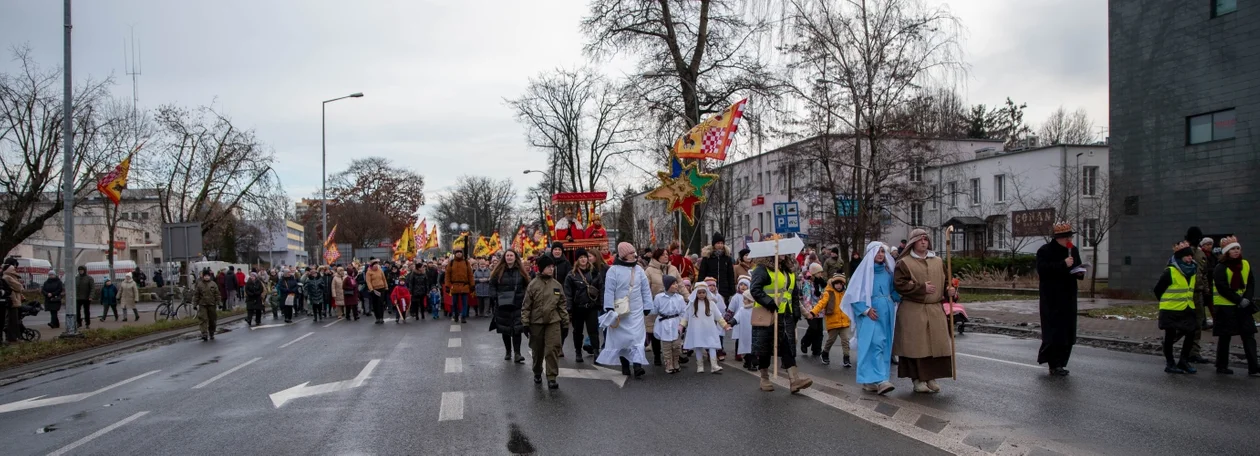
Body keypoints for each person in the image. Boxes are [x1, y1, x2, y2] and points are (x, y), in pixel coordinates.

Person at [893, 229, 957, 393]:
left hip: (935, 310)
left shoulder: (938, 261)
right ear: (913, 242)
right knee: (916, 347)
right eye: (920, 240)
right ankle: (917, 380)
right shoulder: (904, 263)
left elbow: (946, 282)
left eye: (926, 240)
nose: (924, 242)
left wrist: (950, 291)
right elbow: (899, 285)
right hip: (913, 311)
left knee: (935, 346)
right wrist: (921, 288)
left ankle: (931, 377)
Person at [749, 251, 813, 393]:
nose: (783, 254)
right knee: (764, 346)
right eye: (780, 251)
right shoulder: (762, 269)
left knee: (787, 345)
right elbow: (755, 289)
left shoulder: (788, 270)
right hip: (767, 313)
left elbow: (794, 293)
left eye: (785, 251)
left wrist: (796, 312)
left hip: (785, 314)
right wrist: (769, 302)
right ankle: (764, 377)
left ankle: (794, 380)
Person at [841, 242, 900, 395]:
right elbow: (853, 295)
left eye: (882, 252)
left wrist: (902, 295)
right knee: (875, 344)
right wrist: (865, 310)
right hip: (870, 314)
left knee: (884, 344)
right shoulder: (864, 273)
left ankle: (869, 380)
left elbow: (894, 291)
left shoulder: (888, 272)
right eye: (878, 252)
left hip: (886, 313)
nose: (881, 254)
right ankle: (881, 380)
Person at [1036, 222, 1084, 376]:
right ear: (1058, 238)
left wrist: (1079, 272)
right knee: (1054, 331)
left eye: (1070, 236)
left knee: (1068, 331)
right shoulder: (1045, 251)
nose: (1069, 239)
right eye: (1066, 237)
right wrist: (1062, 264)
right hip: (1052, 298)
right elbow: (1043, 270)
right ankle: (1053, 364)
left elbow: (1078, 268)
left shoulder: (1073, 250)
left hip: (1068, 296)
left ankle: (1062, 363)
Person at [598, 242, 653, 378]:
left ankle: (637, 365)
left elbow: (645, 289)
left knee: (637, 338)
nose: (634, 255)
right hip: (621, 311)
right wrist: (609, 307)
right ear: (623, 256)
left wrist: (647, 306)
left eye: (634, 252)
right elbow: (609, 290)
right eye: (631, 253)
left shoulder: (639, 270)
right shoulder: (613, 270)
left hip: (636, 311)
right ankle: (625, 365)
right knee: (622, 339)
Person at [1211, 236, 1258, 376]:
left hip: (1243, 305)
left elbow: (1250, 283)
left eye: (1238, 248)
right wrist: (1238, 300)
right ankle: (1221, 365)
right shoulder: (1220, 267)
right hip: (1225, 306)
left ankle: (1254, 367)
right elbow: (1222, 287)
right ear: (1226, 252)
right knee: (1225, 337)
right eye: (1233, 249)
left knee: (1249, 335)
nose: (1236, 251)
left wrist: (1247, 299)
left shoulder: (1245, 264)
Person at [522, 254, 569, 389]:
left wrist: (565, 323)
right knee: (538, 350)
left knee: (552, 349)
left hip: (553, 322)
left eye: (552, 267)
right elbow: (526, 306)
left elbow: (562, 305)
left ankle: (551, 377)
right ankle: (537, 372)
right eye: (548, 267)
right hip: (536, 322)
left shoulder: (557, 285)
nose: (551, 269)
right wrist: (525, 323)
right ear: (542, 268)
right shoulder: (533, 285)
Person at [1155, 242, 1201, 374]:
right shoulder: (1170, 271)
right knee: (1169, 336)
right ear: (1180, 257)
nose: (1190, 258)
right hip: (1170, 309)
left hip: (1187, 307)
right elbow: (1158, 289)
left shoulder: (1192, 270)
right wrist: (1165, 301)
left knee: (1191, 332)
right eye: (1187, 256)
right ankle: (1170, 363)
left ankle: (1183, 361)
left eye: (1191, 256)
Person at [491, 249, 529, 363]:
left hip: (517, 304)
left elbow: (527, 285)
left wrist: (524, 296)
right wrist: (495, 297)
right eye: (507, 255)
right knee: (505, 330)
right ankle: (508, 351)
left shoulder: (520, 271)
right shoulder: (498, 271)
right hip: (503, 305)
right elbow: (492, 285)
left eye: (511, 255)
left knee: (517, 329)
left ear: (515, 257)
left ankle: (517, 353)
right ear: (504, 258)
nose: (509, 257)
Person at [683, 285, 732, 374]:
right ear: (696, 293)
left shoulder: (711, 304)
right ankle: (700, 366)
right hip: (696, 329)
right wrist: (681, 326)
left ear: (706, 293)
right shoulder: (692, 304)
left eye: (703, 292)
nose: (701, 294)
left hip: (709, 329)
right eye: (699, 293)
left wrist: (725, 325)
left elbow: (719, 316)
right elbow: (685, 317)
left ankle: (714, 365)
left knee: (712, 345)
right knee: (698, 346)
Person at [564, 248, 602, 362]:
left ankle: (596, 352)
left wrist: (600, 303)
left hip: (591, 306)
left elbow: (601, 288)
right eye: (581, 257)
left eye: (585, 257)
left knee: (593, 331)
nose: (583, 259)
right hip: (578, 307)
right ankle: (578, 352)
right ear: (577, 260)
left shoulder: (594, 272)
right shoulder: (572, 275)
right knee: (578, 332)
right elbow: (568, 293)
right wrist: (569, 308)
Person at [644, 249, 680, 366]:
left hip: (671, 304)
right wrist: (648, 303)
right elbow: (645, 288)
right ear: (657, 257)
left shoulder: (673, 269)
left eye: (667, 254)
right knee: (655, 331)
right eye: (663, 255)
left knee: (673, 330)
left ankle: (675, 356)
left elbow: (681, 285)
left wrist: (688, 297)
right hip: (656, 304)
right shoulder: (649, 270)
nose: (666, 256)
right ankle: (657, 355)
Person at [811, 274, 853, 367]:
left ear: (843, 284)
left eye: (840, 283)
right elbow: (821, 304)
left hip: (844, 322)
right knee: (831, 340)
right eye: (836, 283)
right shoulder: (828, 293)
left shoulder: (846, 294)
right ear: (833, 284)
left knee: (845, 340)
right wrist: (813, 312)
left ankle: (846, 358)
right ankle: (825, 353)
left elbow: (852, 304)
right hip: (833, 322)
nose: (838, 285)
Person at [1188, 228, 1216, 363]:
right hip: (1185, 294)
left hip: (1198, 293)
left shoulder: (1201, 254)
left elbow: (1204, 274)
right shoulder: (1184, 251)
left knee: (1198, 323)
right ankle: (1169, 342)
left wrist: (1206, 289)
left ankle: (1194, 352)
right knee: (1184, 323)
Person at [653, 275, 686, 374]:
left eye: (676, 283)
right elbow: (655, 309)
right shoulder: (659, 297)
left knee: (676, 344)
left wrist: (682, 324)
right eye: (673, 284)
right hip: (664, 322)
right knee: (666, 345)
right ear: (667, 285)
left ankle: (676, 361)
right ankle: (668, 363)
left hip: (676, 321)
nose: (676, 286)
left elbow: (683, 311)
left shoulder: (679, 298)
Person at [729, 276, 756, 370]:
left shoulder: (755, 310)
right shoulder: (742, 310)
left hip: (754, 332)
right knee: (746, 348)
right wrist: (731, 323)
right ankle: (748, 363)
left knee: (753, 349)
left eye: (745, 299)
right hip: (744, 332)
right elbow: (736, 318)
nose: (743, 301)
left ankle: (750, 363)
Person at [800, 263, 826, 357]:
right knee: (813, 328)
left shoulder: (821, 283)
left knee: (819, 331)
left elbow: (824, 295)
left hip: (820, 310)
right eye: (819, 272)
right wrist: (810, 312)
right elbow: (807, 298)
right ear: (814, 273)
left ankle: (817, 349)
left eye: (821, 272)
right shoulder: (808, 283)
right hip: (812, 311)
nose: (820, 274)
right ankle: (805, 342)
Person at [445, 251, 474, 324]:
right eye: (457, 252)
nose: (459, 253)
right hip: (454, 286)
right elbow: (447, 275)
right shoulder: (451, 263)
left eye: (460, 252)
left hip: (464, 285)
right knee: (454, 302)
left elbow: (470, 275)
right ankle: (456, 314)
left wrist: (472, 285)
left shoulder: (466, 262)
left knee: (465, 302)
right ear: (455, 254)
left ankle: (463, 316)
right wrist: (447, 286)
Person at [193, 269, 219, 341]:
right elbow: (196, 295)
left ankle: (212, 332)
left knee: (212, 320)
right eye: (205, 276)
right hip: (202, 304)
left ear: (209, 276)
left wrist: (219, 303)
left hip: (212, 304)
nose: (206, 277)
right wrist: (195, 304)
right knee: (203, 319)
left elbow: (217, 294)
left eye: (208, 276)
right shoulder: (200, 284)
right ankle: (204, 333)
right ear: (203, 276)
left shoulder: (213, 284)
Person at [2, 259, 24, 342]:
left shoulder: (9, 276)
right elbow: (19, 287)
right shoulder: (8, 277)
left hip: (14, 301)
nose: (15, 268)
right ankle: (12, 338)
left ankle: (14, 337)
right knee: (12, 321)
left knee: (14, 321)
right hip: (12, 301)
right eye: (14, 267)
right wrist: (20, 286)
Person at [366, 260, 389, 324]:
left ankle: (381, 317)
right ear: (372, 266)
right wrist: (371, 289)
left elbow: (384, 279)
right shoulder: (369, 272)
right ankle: (377, 318)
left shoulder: (380, 271)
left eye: (377, 265)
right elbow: (368, 281)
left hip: (381, 288)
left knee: (381, 303)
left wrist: (386, 287)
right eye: (374, 265)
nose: (376, 266)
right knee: (375, 304)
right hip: (374, 290)